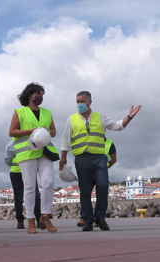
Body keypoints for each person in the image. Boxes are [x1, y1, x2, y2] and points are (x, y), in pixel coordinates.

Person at [59, 91, 141, 231]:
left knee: (103, 185)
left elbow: (118, 126)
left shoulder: (100, 117)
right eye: (77, 101)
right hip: (81, 158)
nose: (80, 104)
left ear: (90, 102)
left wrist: (129, 117)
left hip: (99, 158)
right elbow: (66, 139)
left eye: (82, 101)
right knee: (85, 191)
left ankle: (100, 217)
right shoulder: (71, 119)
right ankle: (88, 220)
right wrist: (63, 157)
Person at [9, 82, 58, 234]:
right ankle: (30, 219)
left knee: (49, 182)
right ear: (30, 96)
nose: (41, 97)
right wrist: (31, 131)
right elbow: (12, 132)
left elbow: (54, 131)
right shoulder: (20, 112)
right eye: (39, 94)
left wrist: (45, 131)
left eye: (43, 95)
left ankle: (45, 216)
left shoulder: (47, 112)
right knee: (30, 186)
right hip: (27, 153)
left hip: (44, 151)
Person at [77, 138, 117, 227]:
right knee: (85, 193)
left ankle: (98, 218)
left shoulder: (109, 143)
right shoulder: (88, 140)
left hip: (101, 170)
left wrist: (103, 168)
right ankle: (84, 217)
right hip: (88, 170)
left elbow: (114, 159)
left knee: (102, 190)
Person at [4, 140, 44, 229]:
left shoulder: (11, 144)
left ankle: (20, 221)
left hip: (16, 171)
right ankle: (38, 220)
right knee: (35, 196)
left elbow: (7, 159)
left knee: (19, 197)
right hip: (24, 172)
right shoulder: (30, 142)